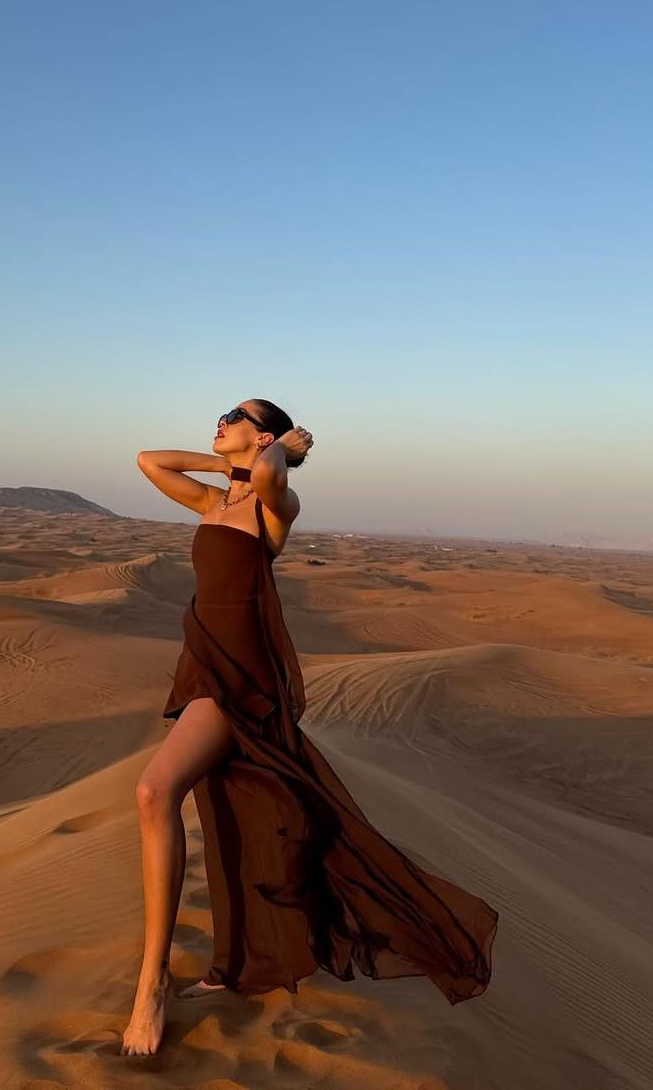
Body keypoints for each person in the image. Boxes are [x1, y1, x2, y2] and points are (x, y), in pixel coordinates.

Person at [121, 400, 497, 1058]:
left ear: (264, 435)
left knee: (155, 792)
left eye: (232, 415)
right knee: (226, 816)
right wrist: (230, 462)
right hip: (203, 663)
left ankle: (149, 986)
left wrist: (279, 456)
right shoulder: (215, 505)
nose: (217, 419)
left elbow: (269, 476)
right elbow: (148, 459)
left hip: (242, 680)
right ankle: (228, 964)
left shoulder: (274, 509)